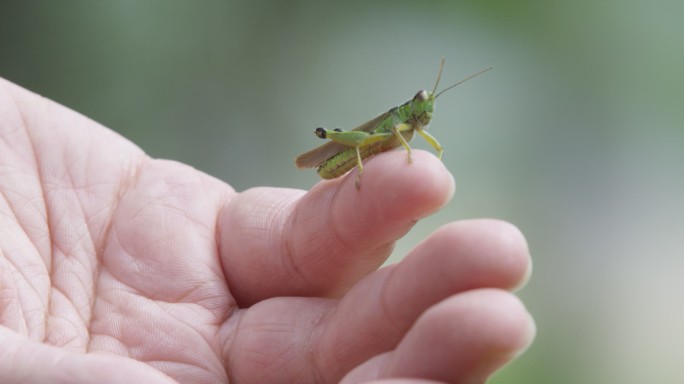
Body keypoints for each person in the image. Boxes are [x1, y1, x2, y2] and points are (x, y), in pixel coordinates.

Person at [0, 77, 535, 384]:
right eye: (422, 104)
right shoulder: (398, 125)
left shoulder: (414, 131)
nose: (425, 112)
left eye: (427, 109)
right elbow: (389, 136)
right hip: (345, 154)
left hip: (360, 161)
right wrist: (370, 159)